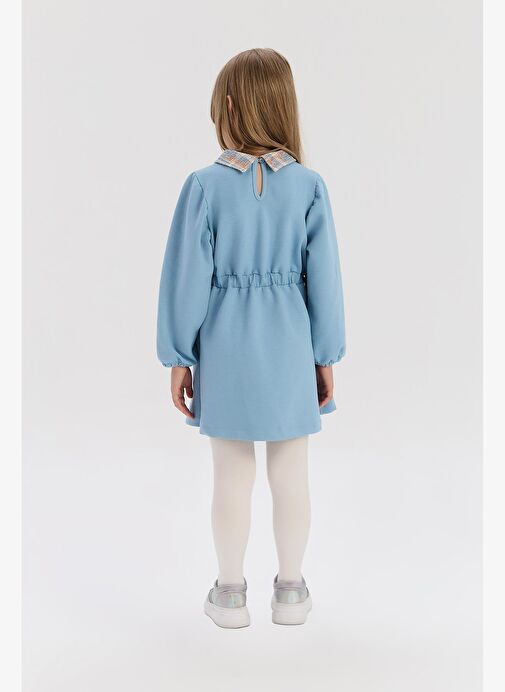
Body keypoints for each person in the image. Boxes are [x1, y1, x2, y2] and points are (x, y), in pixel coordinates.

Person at [157, 48, 345, 628]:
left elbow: (186, 279)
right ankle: (291, 592)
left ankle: (230, 594)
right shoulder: (309, 186)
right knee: (291, 475)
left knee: (231, 476)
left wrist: (179, 356)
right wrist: (325, 355)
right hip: (289, 343)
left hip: (227, 347)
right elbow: (325, 281)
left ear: (232, 106)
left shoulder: (204, 186)